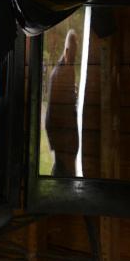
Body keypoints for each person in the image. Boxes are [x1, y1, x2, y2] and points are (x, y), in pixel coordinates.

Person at [44, 29, 80, 177]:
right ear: (66, 51)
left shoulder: (66, 70)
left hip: (66, 141)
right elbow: (52, 113)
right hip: (63, 141)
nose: (74, 57)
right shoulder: (61, 74)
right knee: (63, 176)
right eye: (72, 53)